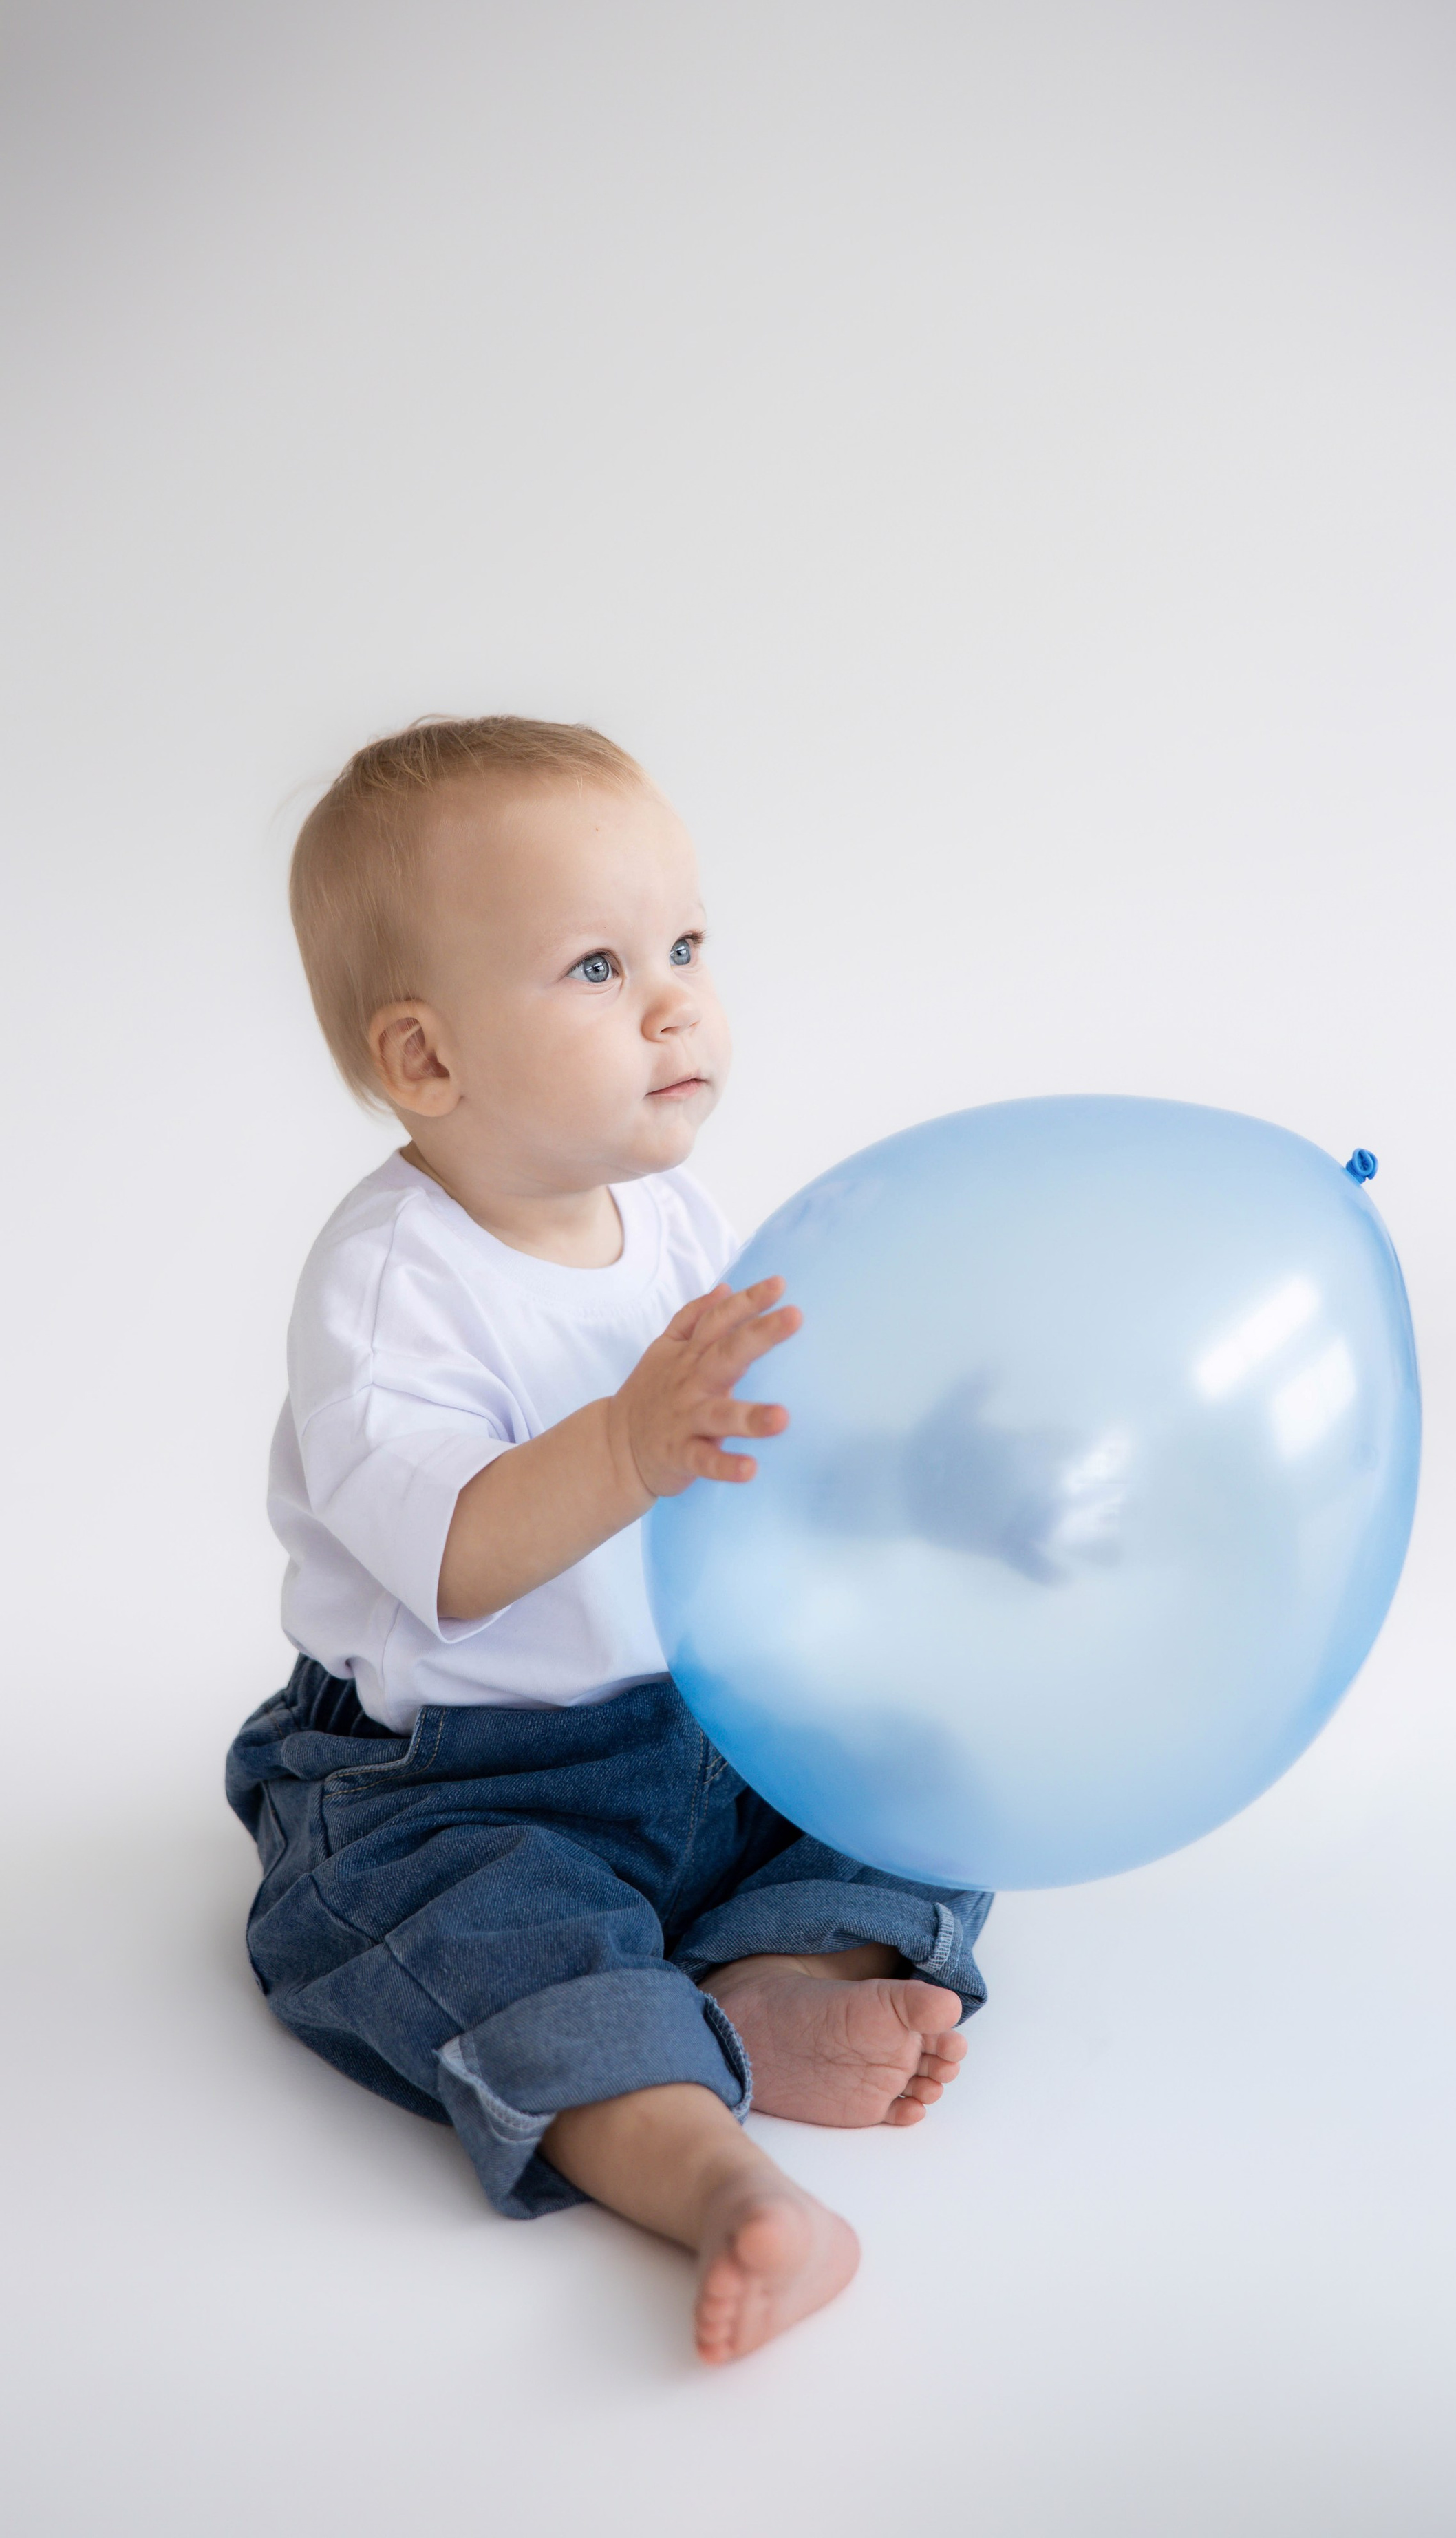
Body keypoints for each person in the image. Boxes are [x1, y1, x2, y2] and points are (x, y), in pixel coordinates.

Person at [225, 716, 991, 2363]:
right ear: (424, 1061)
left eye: (685, 947)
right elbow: (450, 1552)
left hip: (703, 1721)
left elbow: (775, 1444)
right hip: (460, 1778)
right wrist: (626, 1447)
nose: (674, 1002)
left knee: (920, 1764)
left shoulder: (678, 1220)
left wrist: (923, 1480)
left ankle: (777, 1982)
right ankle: (723, 2183)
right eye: (593, 965)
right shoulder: (388, 1285)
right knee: (487, 1945)